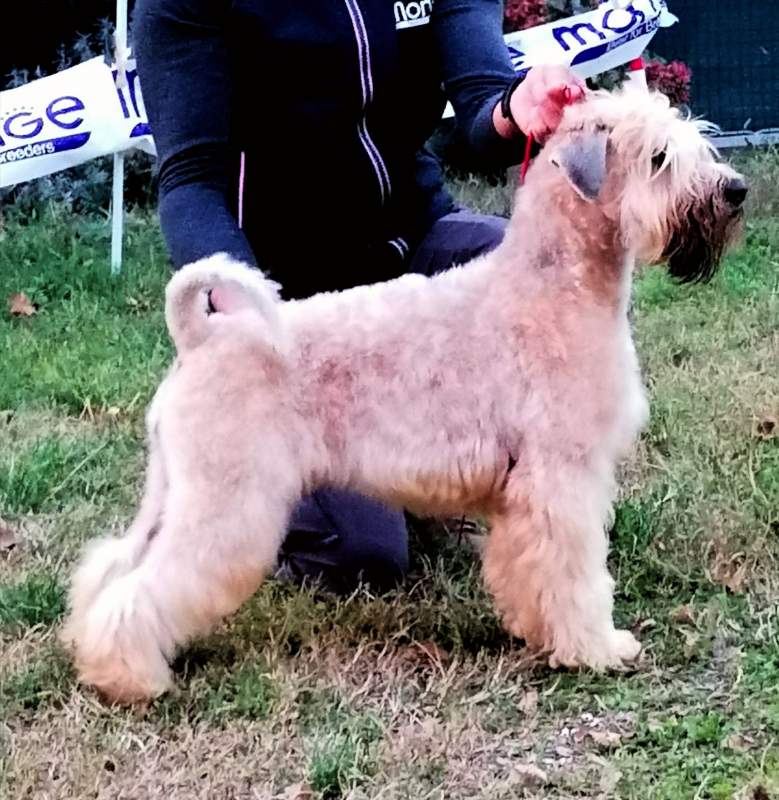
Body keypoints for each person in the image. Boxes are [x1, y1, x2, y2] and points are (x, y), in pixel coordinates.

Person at [132, 0, 585, 593]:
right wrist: (238, 300)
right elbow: (191, 183)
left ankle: (502, 491)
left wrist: (511, 108)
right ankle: (245, 490)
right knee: (360, 557)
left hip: (415, 241)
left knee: (563, 291)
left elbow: (482, 111)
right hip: (290, 299)